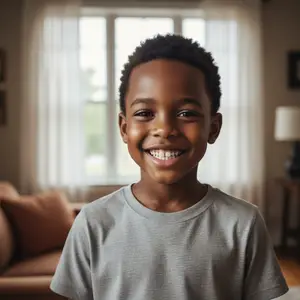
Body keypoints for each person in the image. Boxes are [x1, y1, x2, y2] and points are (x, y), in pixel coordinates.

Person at [50, 34, 289, 300]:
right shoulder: (93, 223)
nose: (164, 129)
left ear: (213, 127)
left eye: (186, 113)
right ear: (124, 127)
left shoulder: (243, 223)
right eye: (144, 113)